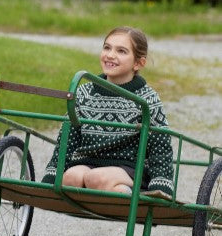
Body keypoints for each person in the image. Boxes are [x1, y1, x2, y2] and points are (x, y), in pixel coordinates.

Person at [42, 26, 174, 198]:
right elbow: (68, 137)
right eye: (107, 47)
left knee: (97, 178)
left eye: (121, 51)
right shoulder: (85, 92)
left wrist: (161, 182)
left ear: (138, 63)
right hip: (89, 161)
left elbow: (160, 144)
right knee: (70, 177)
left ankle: (132, 195)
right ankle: (108, 193)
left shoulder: (146, 98)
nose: (110, 55)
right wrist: (53, 172)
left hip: (128, 168)